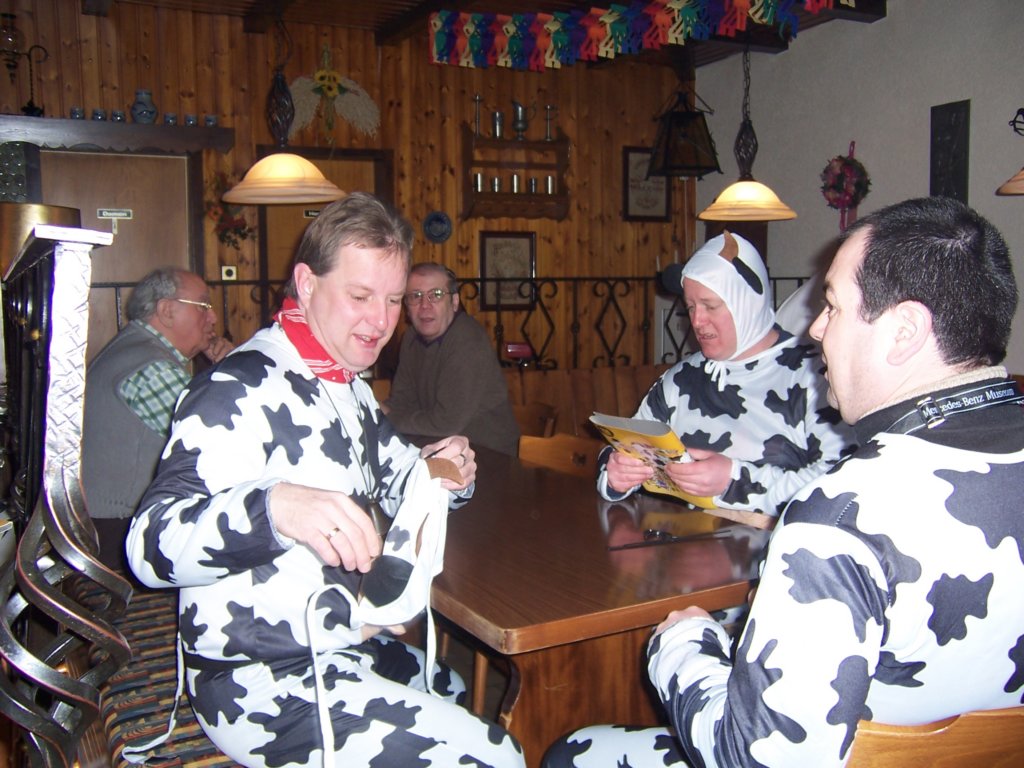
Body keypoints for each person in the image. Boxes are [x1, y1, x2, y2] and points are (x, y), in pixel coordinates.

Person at [545, 196, 1024, 767]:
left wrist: (680, 643)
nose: (815, 328)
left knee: (571, 751)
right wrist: (618, 472)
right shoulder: (683, 381)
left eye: (833, 307)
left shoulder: (837, 517)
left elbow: (753, 757)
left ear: (905, 331)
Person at [125, 193, 524, 768]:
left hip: (343, 645)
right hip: (259, 680)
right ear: (307, 285)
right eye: (360, 297)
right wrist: (276, 508)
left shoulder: (346, 384)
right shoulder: (236, 387)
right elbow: (148, 546)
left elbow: (403, 478)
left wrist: (448, 471)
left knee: (455, 689)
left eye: (393, 300)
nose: (382, 321)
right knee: (498, 756)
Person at [599, 230, 854, 517]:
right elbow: (627, 446)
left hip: (774, 541)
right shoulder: (680, 379)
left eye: (710, 306)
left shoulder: (818, 376)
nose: (697, 320)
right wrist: (616, 475)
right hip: (679, 538)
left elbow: (842, 484)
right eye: (691, 307)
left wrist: (735, 481)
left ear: (747, 303)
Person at [82, 266, 233, 572]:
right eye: (204, 305)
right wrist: (234, 369)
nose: (213, 317)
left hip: (106, 527)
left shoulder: (135, 348)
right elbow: (222, 444)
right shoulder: (152, 369)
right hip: (118, 535)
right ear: (166, 311)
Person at [383, 261, 520, 455]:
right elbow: (401, 400)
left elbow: (446, 423)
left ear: (454, 302)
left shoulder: (468, 340)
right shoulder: (410, 338)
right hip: (436, 449)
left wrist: (389, 418)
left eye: (436, 295)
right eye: (415, 296)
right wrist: (378, 413)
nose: (424, 305)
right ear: (406, 305)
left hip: (490, 456)